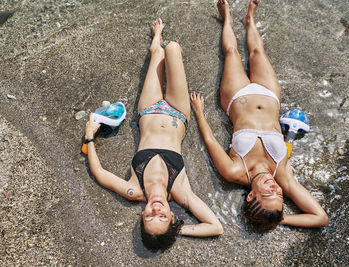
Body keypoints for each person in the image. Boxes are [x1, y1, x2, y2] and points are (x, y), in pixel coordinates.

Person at [84, 18, 223, 251]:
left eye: (149, 217)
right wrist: (177, 230)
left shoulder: (134, 190)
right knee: (173, 48)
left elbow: (99, 173)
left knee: (158, 51)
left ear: (142, 217)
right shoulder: (180, 192)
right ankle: (165, 49)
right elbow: (215, 226)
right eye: (162, 218)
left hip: (147, 110)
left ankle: (155, 40)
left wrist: (89, 137)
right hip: (178, 111)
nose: (156, 211)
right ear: (171, 217)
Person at [190, 0, 328, 229]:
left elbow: (210, 140)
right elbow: (321, 218)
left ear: (251, 196)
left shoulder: (234, 171)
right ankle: (250, 19)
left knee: (231, 52)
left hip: (236, 97)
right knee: (257, 51)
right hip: (270, 95)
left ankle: (226, 18)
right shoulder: (282, 175)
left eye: (268, 194)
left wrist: (199, 112)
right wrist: (278, 219)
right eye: (280, 196)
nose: (275, 188)